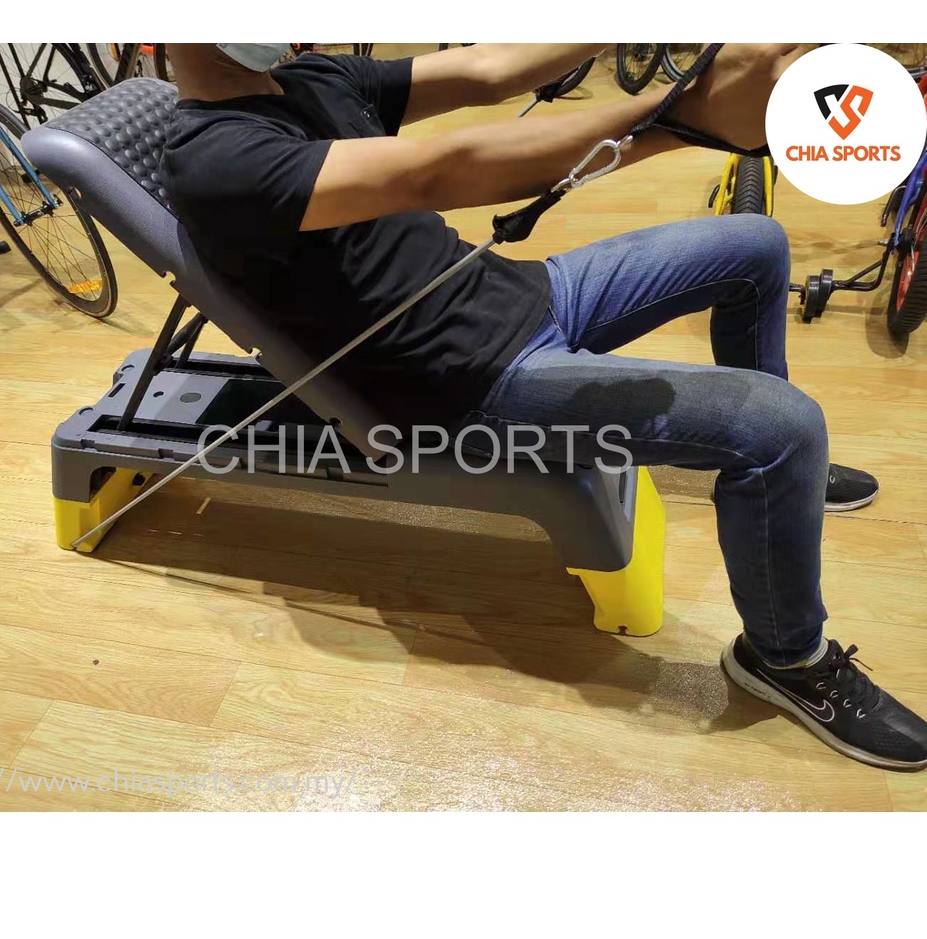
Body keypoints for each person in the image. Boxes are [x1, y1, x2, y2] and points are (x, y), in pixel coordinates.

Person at [160, 43, 927, 771]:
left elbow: (491, 69)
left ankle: (780, 487)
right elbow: (442, 170)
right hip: (460, 385)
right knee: (782, 423)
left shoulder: (311, 80)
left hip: (511, 295)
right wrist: (681, 116)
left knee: (754, 243)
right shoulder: (217, 160)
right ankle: (787, 657)